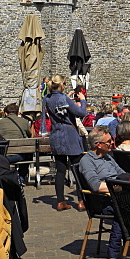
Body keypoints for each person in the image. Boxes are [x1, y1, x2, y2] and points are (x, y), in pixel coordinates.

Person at [79, 126, 128, 259]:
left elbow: (121, 173)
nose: (112, 143)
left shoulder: (108, 157)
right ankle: (114, 249)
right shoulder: (87, 161)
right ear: (98, 145)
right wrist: (118, 188)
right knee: (126, 208)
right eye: (108, 141)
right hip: (101, 201)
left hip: (117, 194)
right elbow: (96, 186)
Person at [45, 74, 87, 211]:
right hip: (69, 135)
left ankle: (60, 201)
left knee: (60, 170)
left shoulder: (47, 98)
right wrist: (83, 100)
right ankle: (81, 201)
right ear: (62, 85)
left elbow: (59, 106)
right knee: (77, 169)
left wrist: (67, 98)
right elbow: (81, 112)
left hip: (56, 134)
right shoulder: (64, 99)